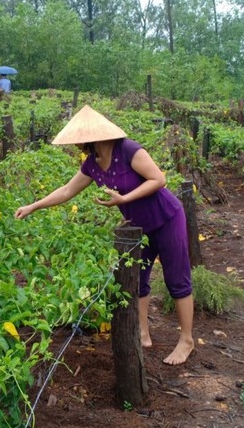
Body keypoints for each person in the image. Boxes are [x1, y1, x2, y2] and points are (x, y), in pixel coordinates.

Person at [14, 105, 195, 366]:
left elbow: (158, 179)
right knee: (138, 280)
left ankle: (186, 340)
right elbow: (66, 191)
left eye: (81, 141)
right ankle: (143, 333)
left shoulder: (129, 151)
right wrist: (34, 206)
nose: (79, 146)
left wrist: (124, 199)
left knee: (176, 278)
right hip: (136, 228)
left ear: (95, 137)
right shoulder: (92, 164)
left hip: (167, 218)